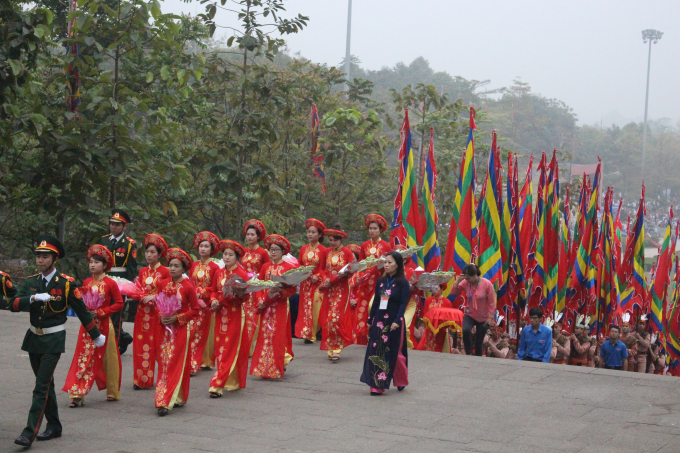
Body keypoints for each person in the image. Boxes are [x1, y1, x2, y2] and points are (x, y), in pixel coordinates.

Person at [9, 235, 104, 448]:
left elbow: (82, 311)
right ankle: (54, 426)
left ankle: (29, 432)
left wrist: (96, 335)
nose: (40, 260)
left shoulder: (66, 284)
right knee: (47, 383)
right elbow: (13, 304)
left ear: (54, 259)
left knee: (41, 386)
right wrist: (32, 299)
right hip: (33, 338)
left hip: (53, 339)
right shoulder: (32, 281)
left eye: (45, 257)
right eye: (38, 256)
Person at [62, 245, 123, 406]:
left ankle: (112, 391)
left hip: (104, 325)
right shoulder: (87, 282)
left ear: (104, 265)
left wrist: (102, 312)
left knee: (109, 358)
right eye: (91, 262)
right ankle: (77, 394)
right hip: (88, 326)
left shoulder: (110, 283)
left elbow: (119, 303)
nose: (92, 265)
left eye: (96, 262)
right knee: (83, 357)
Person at [155, 248, 200, 416]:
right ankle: (175, 396)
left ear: (183, 269)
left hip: (180, 329)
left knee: (176, 362)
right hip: (164, 329)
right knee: (164, 362)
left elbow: (195, 310)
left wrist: (177, 318)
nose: (172, 269)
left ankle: (165, 401)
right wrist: (162, 316)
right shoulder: (162, 283)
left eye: (176, 266)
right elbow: (157, 305)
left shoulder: (188, 287)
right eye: (171, 265)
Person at [360, 251, 410, 395]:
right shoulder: (381, 281)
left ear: (397, 264)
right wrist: (370, 319)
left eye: (390, 262)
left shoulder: (402, 283)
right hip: (380, 320)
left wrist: (397, 321)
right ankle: (377, 385)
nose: (386, 265)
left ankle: (401, 379)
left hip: (394, 321)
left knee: (394, 352)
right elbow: (376, 301)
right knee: (377, 350)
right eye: (385, 262)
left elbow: (402, 304)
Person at [250, 234, 297, 379]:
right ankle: (263, 367)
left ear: (283, 251)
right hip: (266, 305)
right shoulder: (265, 267)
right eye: (271, 249)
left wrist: (281, 291)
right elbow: (259, 286)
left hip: (280, 306)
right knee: (265, 335)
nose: (273, 252)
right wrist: (260, 300)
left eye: (277, 249)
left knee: (278, 335)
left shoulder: (289, 267)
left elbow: (292, 289)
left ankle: (276, 366)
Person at [208, 240, 250, 397]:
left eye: (230, 255)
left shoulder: (241, 274)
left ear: (236, 257)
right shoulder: (218, 272)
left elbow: (244, 298)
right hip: (220, 315)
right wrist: (213, 300)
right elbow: (213, 289)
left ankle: (217, 385)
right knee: (221, 348)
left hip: (234, 315)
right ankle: (233, 380)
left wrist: (227, 299)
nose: (227, 257)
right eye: (225, 254)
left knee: (228, 349)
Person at [133, 234, 170, 389]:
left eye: (153, 252)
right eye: (147, 252)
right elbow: (139, 289)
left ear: (159, 254)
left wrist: (154, 297)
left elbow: (168, 292)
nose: (149, 255)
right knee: (141, 344)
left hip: (157, 313)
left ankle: (165, 377)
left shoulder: (165, 272)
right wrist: (139, 295)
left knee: (158, 345)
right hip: (142, 312)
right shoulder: (142, 271)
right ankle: (141, 380)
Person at [97, 209, 137, 354]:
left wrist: (130, 289)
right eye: (111, 224)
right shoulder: (103, 240)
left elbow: (131, 268)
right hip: (104, 280)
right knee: (104, 313)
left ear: (124, 227)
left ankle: (112, 346)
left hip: (120, 283)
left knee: (116, 316)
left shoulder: (129, 244)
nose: (113, 227)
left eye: (117, 224)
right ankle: (124, 338)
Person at [354, 214, 392, 344]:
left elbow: (388, 265)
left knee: (377, 308)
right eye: (370, 228)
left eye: (375, 228)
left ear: (380, 230)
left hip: (379, 282)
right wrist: (358, 277)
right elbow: (360, 264)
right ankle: (361, 338)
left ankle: (376, 336)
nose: (372, 231)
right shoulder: (364, 245)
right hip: (365, 283)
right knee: (362, 309)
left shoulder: (386, 246)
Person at [319, 226, 354, 362]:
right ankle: (331, 347)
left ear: (340, 240)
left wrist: (339, 276)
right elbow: (321, 269)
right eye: (330, 240)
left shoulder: (347, 253)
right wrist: (325, 279)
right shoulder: (326, 252)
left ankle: (338, 348)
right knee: (328, 319)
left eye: (334, 240)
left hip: (341, 289)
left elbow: (351, 270)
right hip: (329, 290)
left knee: (335, 318)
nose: (332, 242)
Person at [188, 231, 220, 374]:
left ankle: (195, 363)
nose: (203, 249)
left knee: (201, 333)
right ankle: (191, 361)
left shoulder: (215, 267)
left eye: (206, 246)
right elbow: (189, 283)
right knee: (191, 332)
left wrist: (203, 293)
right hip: (192, 303)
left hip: (205, 305)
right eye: (201, 246)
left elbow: (215, 286)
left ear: (211, 249)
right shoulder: (193, 265)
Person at [449, 264, 496, 356]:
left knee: (479, 342)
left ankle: (477, 360)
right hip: (470, 314)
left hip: (483, 317)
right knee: (465, 330)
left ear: (475, 275)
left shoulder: (487, 284)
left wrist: (491, 317)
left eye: (468, 278)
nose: (467, 280)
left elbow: (492, 302)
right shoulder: (466, 283)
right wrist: (457, 281)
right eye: (465, 278)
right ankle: (468, 352)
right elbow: (453, 292)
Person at [295, 219, 328, 344]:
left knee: (315, 307)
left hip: (317, 283)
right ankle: (307, 333)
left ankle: (314, 332)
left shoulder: (324, 250)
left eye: (313, 232)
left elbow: (325, 268)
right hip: (305, 283)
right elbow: (299, 264)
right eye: (309, 232)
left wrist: (318, 276)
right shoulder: (303, 249)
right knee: (305, 307)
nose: (310, 234)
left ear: (319, 235)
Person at [241, 219, 271, 352]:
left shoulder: (263, 252)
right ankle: (245, 346)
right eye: (248, 234)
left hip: (257, 288)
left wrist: (258, 279)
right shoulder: (243, 251)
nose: (249, 237)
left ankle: (251, 347)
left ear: (258, 236)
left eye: (252, 234)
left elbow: (267, 269)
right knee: (245, 316)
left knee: (254, 316)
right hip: (245, 288)